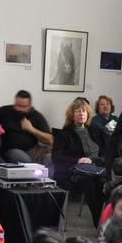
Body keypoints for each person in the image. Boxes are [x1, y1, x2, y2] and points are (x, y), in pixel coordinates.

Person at [51, 98, 107, 228]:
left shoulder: (94, 130)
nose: (81, 113)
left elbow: (105, 150)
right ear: (72, 115)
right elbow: (56, 157)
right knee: (90, 183)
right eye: (77, 111)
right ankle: (99, 223)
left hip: (96, 169)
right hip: (74, 172)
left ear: (88, 114)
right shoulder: (64, 134)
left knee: (103, 183)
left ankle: (104, 220)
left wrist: (99, 160)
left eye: (84, 111)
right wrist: (78, 160)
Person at [0, 90, 53, 163]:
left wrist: (32, 129)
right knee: (25, 161)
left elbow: (50, 140)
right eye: (18, 105)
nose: (20, 109)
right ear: (15, 103)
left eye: (24, 106)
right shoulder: (4, 111)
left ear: (30, 105)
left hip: (33, 150)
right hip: (12, 150)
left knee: (50, 158)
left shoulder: (36, 116)